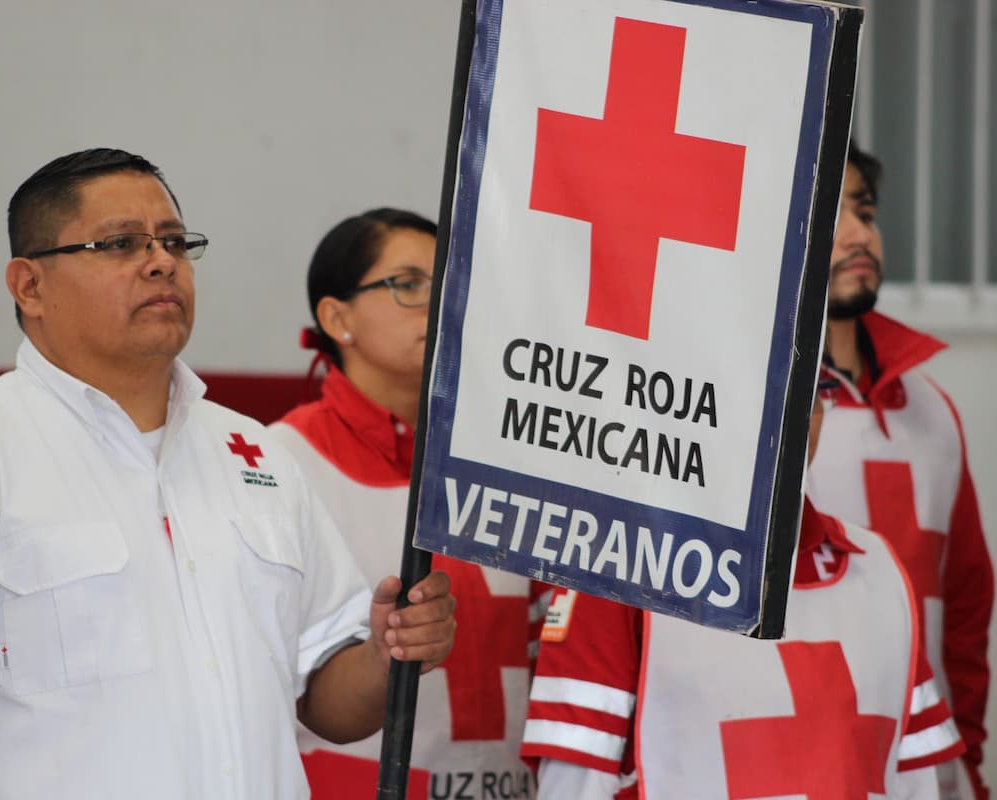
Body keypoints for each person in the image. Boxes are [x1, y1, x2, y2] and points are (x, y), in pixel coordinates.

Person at [0, 149, 457, 800]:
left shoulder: (256, 457)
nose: (162, 262)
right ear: (29, 286)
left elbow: (325, 700)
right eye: (122, 243)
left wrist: (389, 653)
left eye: (176, 242)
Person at [521, 392, 965, 798]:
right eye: (758, 387)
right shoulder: (616, 570)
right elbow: (573, 787)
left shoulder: (879, 569)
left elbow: (916, 783)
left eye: (809, 396)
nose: (787, 416)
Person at [270, 208, 548, 799]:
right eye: (407, 283)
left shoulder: (517, 460)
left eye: (449, 279)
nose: (438, 300)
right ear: (336, 317)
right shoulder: (278, 464)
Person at [807, 141, 992, 799]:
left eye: (866, 210)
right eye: (832, 214)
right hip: (801, 764)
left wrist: (964, 761)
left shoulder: (931, 411)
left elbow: (967, 606)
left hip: (929, 771)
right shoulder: (752, 421)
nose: (861, 234)